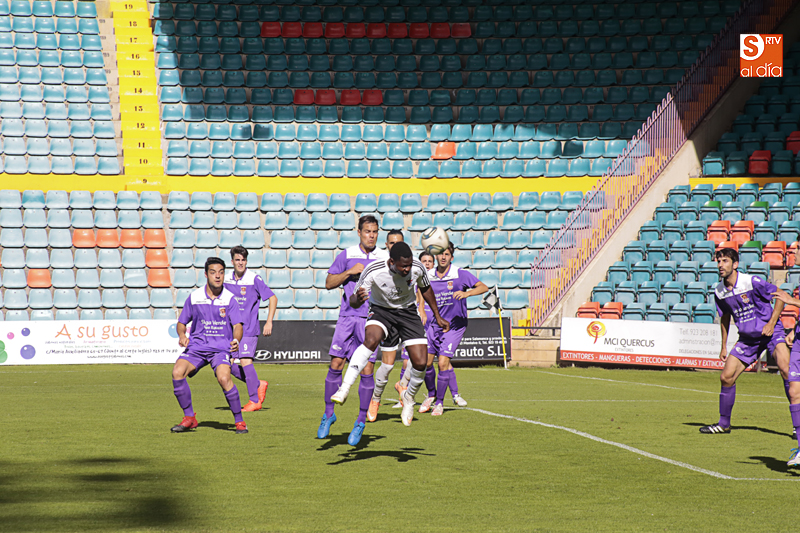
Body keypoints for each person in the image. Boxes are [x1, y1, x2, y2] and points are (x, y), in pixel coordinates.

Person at [330, 241, 450, 443]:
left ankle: (409, 399)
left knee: (421, 363)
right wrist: (358, 299)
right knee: (371, 340)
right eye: (403, 266)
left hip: (408, 313)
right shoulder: (374, 269)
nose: (407, 269)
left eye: (409, 265)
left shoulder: (416, 268)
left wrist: (437, 316)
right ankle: (345, 387)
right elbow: (352, 300)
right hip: (381, 311)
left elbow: (426, 289)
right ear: (391, 262)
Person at [699, 248, 789, 435]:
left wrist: (771, 323)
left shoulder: (751, 281)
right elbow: (724, 317)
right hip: (748, 339)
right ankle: (723, 424)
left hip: (771, 333)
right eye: (719, 261)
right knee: (726, 377)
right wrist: (723, 345)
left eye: (725, 261)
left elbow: (781, 296)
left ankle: (798, 426)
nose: (720, 265)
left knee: (786, 369)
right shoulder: (719, 291)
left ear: (735, 264)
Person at [317, 215, 388, 443]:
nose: (371, 235)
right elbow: (328, 283)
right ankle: (328, 415)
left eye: (375, 232)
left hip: (371, 320)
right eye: (367, 231)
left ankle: (360, 422)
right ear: (359, 232)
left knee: (367, 370)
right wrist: (349, 272)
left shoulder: (384, 258)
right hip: (347, 318)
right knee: (336, 364)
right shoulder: (347, 255)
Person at [170, 257, 249, 434]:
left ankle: (239, 421)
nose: (217, 276)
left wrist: (236, 340)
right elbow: (182, 322)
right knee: (177, 372)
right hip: (197, 348)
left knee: (223, 378)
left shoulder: (230, 299)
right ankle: (189, 418)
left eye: (221, 272)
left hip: (220, 348)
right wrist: (182, 335)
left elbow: (238, 326)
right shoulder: (195, 297)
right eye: (213, 272)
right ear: (206, 274)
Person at [423, 242, 488, 416]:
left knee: (443, 363)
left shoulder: (460, 274)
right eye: (440, 254)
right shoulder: (428, 275)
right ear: (436, 256)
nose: (443, 257)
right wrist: (421, 310)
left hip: (454, 326)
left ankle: (439, 403)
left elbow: (483, 287)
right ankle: (432, 395)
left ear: (452, 257)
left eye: (447, 254)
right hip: (434, 325)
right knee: (427, 363)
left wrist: (467, 293)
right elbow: (419, 292)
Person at [224, 246, 277, 412]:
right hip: (231, 330)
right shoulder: (225, 279)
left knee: (246, 360)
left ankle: (254, 400)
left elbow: (273, 298)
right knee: (226, 366)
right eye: (237, 260)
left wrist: (269, 321)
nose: (240, 263)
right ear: (232, 261)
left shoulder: (254, 279)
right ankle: (258, 384)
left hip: (248, 329)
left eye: (243, 260)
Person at [365, 231, 410, 421]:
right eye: (391, 243)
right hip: (388, 316)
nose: (394, 246)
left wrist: (422, 310)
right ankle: (375, 399)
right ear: (387, 245)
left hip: (408, 314)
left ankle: (403, 384)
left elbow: (421, 285)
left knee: (420, 359)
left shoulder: (409, 263)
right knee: (388, 365)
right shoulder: (381, 264)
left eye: (398, 242)